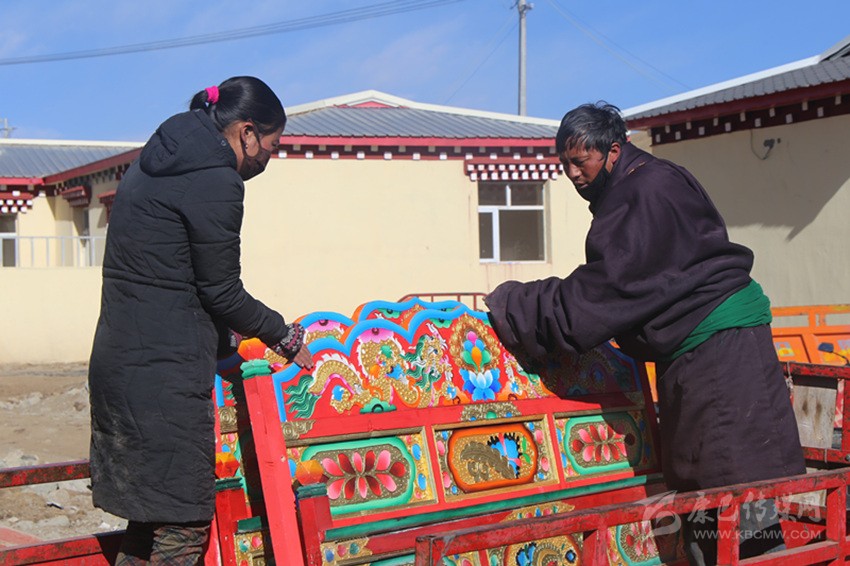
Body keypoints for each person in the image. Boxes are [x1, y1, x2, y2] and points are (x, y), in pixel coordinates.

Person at [484, 102, 805, 565]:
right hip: (714, 351)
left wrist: (513, 303)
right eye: (565, 163)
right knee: (710, 496)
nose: (572, 174)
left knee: (735, 495)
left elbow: (601, 293)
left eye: (581, 161)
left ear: (613, 151)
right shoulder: (653, 179)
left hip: (719, 357)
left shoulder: (645, 191)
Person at [88, 76, 313, 565]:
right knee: (183, 524)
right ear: (247, 133)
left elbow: (172, 277)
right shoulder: (216, 179)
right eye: (272, 146)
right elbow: (222, 291)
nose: (268, 158)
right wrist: (285, 335)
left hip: (119, 364)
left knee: (149, 519)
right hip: (162, 377)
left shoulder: (151, 162)